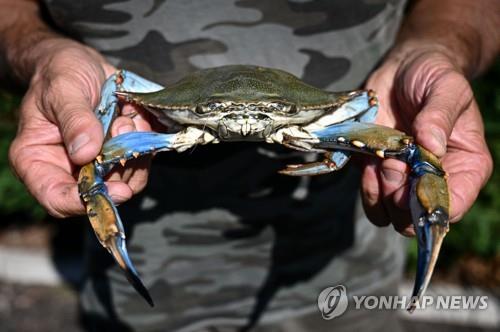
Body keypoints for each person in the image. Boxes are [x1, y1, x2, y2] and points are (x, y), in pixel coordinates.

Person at [1, 0, 498, 331]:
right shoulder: (146, 103)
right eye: (218, 114)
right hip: (132, 300)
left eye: (265, 115)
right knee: (94, 172)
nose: (242, 122)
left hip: (341, 288)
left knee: (417, 152)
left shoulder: (350, 111)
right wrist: (42, 52)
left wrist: (439, 46)